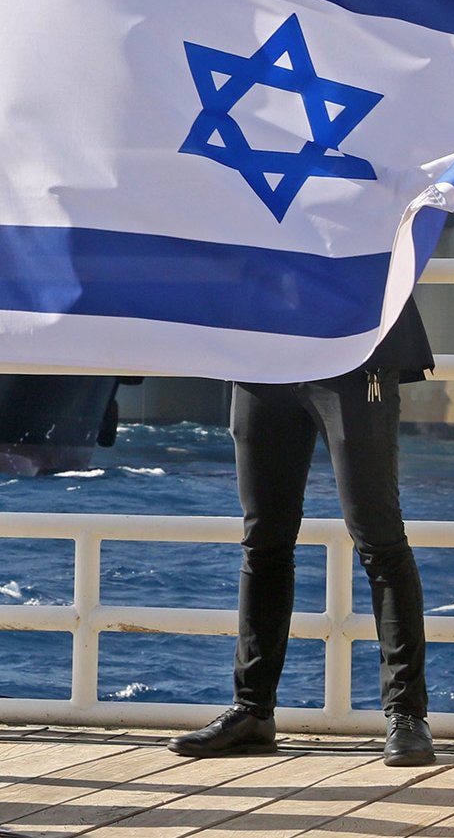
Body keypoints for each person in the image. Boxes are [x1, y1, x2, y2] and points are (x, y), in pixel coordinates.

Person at [171, 301, 436, 767]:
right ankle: (252, 710)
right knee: (263, 541)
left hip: (355, 343)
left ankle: (408, 714)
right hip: (263, 346)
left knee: (378, 538)